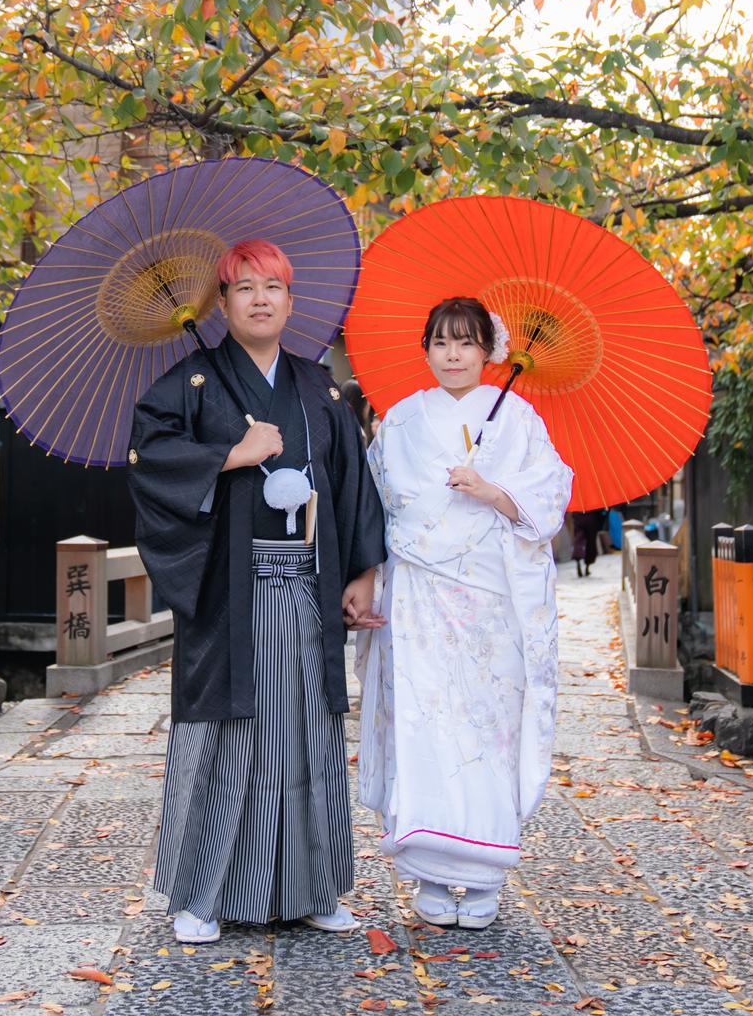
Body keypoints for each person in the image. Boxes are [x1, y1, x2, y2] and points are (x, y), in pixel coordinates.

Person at [127, 239, 386, 945]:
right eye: (244, 287)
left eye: (273, 286)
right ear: (223, 303)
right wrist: (228, 455)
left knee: (305, 736)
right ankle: (200, 896)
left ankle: (312, 888)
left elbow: (352, 482)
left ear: (291, 301)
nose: (260, 298)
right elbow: (149, 459)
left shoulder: (317, 387)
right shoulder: (191, 383)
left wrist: (361, 572)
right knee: (225, 736)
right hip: (230, 594)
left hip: (306, 588)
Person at [354, 297, 572, 930]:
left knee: (485, 730)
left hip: (489, 603)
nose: (453, 355)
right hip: (419, 596)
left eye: (466, 343)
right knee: (423, 724)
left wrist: (493, 491)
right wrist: (367, 577)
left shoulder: (518, 419)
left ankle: (483, 878)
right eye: (441, 343)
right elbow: (375, 502)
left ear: (488, 351)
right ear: (425, 349)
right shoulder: (400, 419)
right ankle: (428, 869)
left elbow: (551, 492)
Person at [570, 508, 605, 577]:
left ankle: (578, 560)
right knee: (591, 542)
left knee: (578, 541)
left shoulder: (576, 501)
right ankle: (587, 567)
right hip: (591, 517)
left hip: (578, 517)